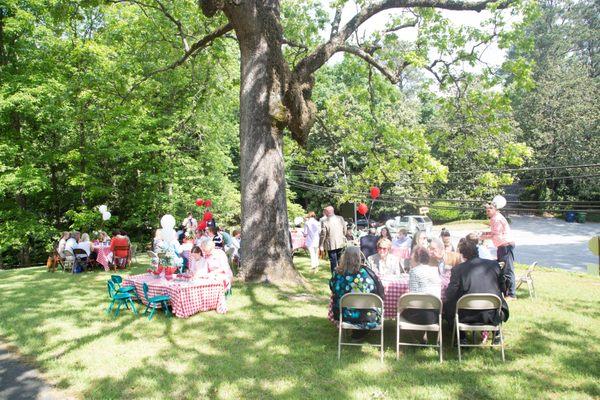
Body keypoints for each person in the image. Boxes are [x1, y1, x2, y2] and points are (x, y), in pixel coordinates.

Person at [444, 239, 509, 345]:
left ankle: (461, 336)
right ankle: (497, 332)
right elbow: (503, 287)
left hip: (467, 315)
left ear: (462, 254)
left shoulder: (458, 269)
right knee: (497, 299)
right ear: (477, 250)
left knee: (448, 305)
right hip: (493, 313)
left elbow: (450, 293)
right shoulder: (494, 265)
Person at [329, 246, 384, 339]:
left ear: (344, 257)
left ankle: (357, 333)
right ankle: (360, 332)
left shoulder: (337, 273)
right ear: (359, 257)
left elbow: (332, 287)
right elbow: (378, 291)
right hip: (367, 316)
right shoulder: (366, 273)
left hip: (343, 315)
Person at [481, 202, 516, 299]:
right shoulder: (494, 218)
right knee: (502, 269)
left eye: (489, 210)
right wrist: (484, 233)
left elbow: (496, 235)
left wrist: (482, 237)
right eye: (486, 210)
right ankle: (505, 292)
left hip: (505, 245)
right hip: (501, 246)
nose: (487, 212)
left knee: (507, 269)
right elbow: (494, 232)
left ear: (495, 210)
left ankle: (512, 294)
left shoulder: (496, 219)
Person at [403, 246, 441, 326]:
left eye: (411, 258)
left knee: (401, 309)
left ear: (417, 259)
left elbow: (412, 295)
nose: (410, 260)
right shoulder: (434, 270)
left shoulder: (414, 271)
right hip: (435, 316)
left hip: (419, 316)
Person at [319, 206, 347, 274]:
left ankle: (335, 275)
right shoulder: (340, 218)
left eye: (325, 211)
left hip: (330, 243)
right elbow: (345, 229)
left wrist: (321, 244)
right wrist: (342, 236)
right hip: (340, 242)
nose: (324, 212)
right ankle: (342, 274)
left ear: (327, 212)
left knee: (333, 262)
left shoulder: (324, 221)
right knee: (341, 260)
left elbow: (323, 234)